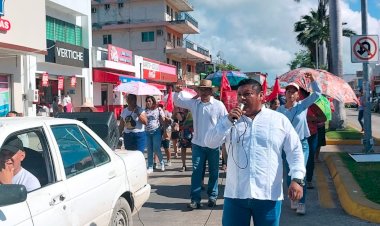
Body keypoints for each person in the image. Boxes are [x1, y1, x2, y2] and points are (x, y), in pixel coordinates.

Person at [205, 79, 305, 226]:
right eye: (239, 95)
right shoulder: (228, 121)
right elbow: (210, 142)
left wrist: (297, 179)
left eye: (247, 94)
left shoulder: (278, 120)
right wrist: (226, 122)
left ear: (261, 96)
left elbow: (295, 150)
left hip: (268, 194)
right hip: (236, 194)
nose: (242, 98)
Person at [174, 79, 228, 209]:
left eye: (206, 89)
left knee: (214, 173)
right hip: (198, 144)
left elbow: (226, 122)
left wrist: (221, 140)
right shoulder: (194, 103)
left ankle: (212, 197)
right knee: (197, 172)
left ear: (211, 91)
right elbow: (178, 101)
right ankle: (195, 199)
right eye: (201, 89)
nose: (204, 92)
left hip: (213, 146)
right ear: (199, 91)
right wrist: (177, 92)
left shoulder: (219, 105)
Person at [277, 73, 321, 215]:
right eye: (289, 91)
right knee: (289, 175)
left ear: (298, 95)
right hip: (286, 147)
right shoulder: (280, 110)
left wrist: (312, 80)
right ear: (285, 93)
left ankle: (301, 203)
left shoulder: (302, 106)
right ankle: (293, 198)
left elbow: (318, 94)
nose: (291, 94)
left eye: (294, 92)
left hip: (302, 145)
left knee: (300, 174)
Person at [145, 96, 166, 174]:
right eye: (147, 101)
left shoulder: (158, 109)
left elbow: (163, 120)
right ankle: (150, 166)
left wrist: (164, 131)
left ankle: (162, 162)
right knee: (149, 150)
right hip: (147, 132)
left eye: (149, 101)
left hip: (156, 131)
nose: (148, 102)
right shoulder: (145, 111)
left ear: (153, 102)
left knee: (156, 148)